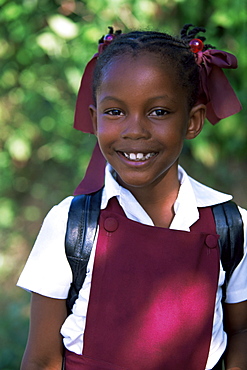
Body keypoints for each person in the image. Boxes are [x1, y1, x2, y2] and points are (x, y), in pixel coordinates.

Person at [17, 24, 247, 370]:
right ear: (95, 120)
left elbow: (239, 330)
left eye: (159, 112)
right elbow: (41, 360)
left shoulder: (233, 226)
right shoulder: (72, 226)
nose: (135, 130)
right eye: (115, 112)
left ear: (193, 121)